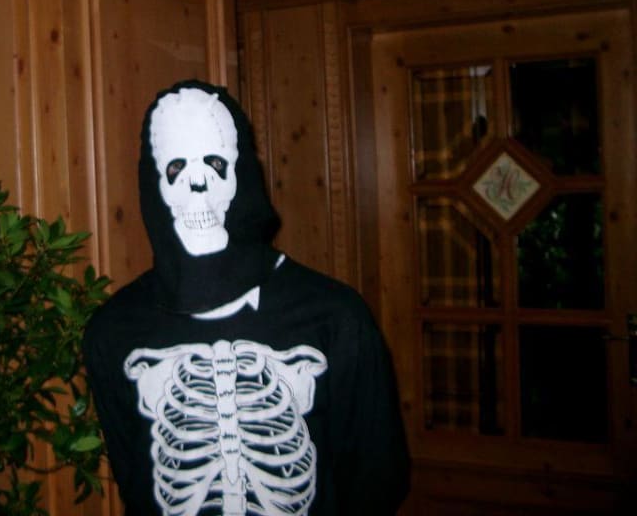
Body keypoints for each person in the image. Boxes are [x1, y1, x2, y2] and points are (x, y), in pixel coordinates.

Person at [83, 80, 410, 515]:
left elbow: (377, 479)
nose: (198, 184)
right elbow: (135, 481)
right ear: (154, 182)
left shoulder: (335, 318)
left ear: (241, 174)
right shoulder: (112, 331)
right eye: (177, 167)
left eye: (215, 163)